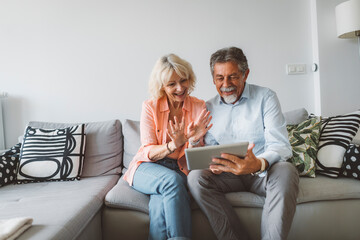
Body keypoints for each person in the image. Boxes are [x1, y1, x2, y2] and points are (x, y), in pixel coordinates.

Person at [187, 47, 299, 240]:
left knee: (287, 170)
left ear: (245, 74)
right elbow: (208, 150)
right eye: (220, 78)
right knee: (195, 178)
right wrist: (196, 141)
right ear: (213, 79)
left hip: (262, 173)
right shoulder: (208, 107)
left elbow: (280, 145)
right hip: (227, 175)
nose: (226, 84)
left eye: (233, 77)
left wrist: (258, 164)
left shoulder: (266, 97)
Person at [123, 53, 212, 240]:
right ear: (162, 86)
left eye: (183, 80)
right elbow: (148, 151)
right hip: (147, 167)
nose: (180, 88)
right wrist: (174, 144)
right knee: (171, 181)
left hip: (179, 169)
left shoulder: (199, 106)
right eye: (172, 84)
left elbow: (198, 158)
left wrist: (195, 141)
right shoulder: (150, 106)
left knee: (159, 204)